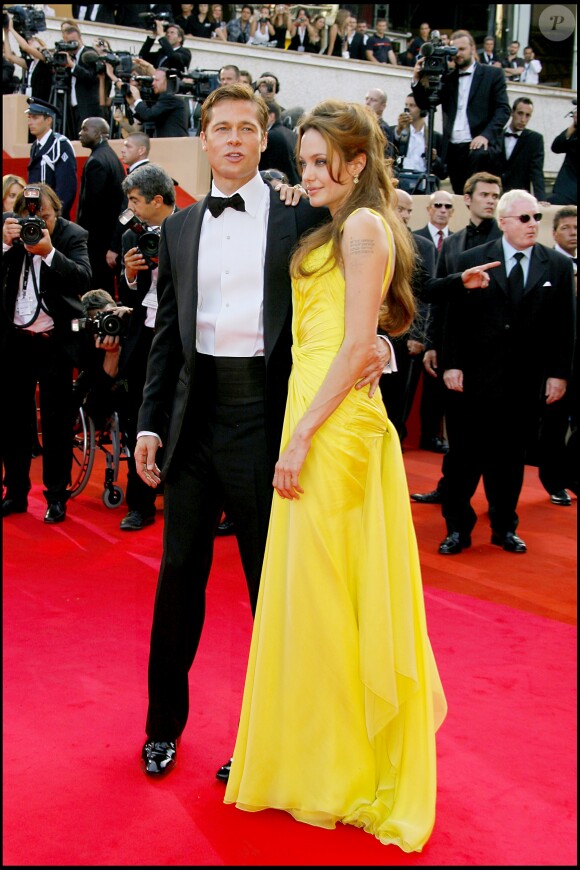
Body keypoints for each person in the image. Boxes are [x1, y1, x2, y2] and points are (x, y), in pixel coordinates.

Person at [133, 84, 395, 779]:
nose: (234, 139)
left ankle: (267, 745)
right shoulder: (177, 229)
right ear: (204, 138)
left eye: (247, 128)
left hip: (267, 419)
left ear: (262, 137)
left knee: (271, 591)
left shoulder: (299, 219)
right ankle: (162, 726)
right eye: (221, 128)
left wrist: (385, 345)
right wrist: (149, 423)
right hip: (193, 422)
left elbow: (353, 298)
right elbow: (166, 335)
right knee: (178, 580)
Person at [223, 98, 447, 852]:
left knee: (325, 597)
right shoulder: (344, 221)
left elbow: (357, 346)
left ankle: (342, 770)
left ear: (357, 164)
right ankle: (322, 760)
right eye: (306, 160)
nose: (310, 172)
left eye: (325, 162)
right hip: (318, 411)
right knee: (318, 597)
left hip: (331, 425)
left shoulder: (360, 225)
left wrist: (299, 441)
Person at [437, 190, 575, 555]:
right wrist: (452, 363)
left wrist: (559, 374)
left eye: (536, 218)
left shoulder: (557, 267)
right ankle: (457, 529)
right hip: (473, 381)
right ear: (503, 222)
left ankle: (504, 527)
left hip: (524, 384)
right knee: (464, 459)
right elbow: (454, 319)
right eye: (525, 218)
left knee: (510, 462)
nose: (533, 225)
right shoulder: (473, 261)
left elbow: (564, 326)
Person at [411, 171, 503, 503]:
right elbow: (439, 296)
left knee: (496, 437)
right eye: (485, 195)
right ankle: (450, 491)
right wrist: (433, 344)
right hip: (458, 348)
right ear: (468, 199)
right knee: (458, 429)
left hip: (496, 354)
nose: (490, 200)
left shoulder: (507, 242)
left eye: (495, 195)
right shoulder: (451, 243)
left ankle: (499, 507)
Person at [2, 182, 91, 522]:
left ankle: (56, 497)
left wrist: (49, 252)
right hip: (15, 341)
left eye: (47, 217)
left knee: (56, 423)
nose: (37, 224)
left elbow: (84, 277)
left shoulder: (72, 235)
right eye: (31, 217)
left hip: (55, 341)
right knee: (13, 421)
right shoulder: (11, 230)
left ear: (58, 212)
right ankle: (16, 492)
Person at [116, 163, 177, 531]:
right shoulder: (130, 236)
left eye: (136, 201)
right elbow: (129, 296)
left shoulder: (190, 226)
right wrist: (131, 272)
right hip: (143, 338)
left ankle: (179, 495)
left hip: (180, 338)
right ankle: (139, 504)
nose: (131, 208)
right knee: (139, 419)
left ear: (157, 200)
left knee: (179, 417)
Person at [412, 29, 510, 194]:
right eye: (455, 50)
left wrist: (485, 136)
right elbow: (426, 104)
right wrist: (416, 79)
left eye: (462, 49)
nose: (458, 54)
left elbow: (503, 110)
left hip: (478, 148)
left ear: (472, 48)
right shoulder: (448, 78)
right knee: (459, 195)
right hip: (454, 149)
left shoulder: (492, 74)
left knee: (476, 195)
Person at [379, 188, 434, 445]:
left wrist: (415, 334)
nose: (405, 215)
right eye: (400, 208)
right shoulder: (368, 235)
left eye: (409, 210)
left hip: (399, 335)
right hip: (362, 333)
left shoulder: (421, 246)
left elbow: (424, 291)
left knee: (395, 401)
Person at [77, 116, 126, 294]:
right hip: (106, 240)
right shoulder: (109, 155)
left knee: (97, 292)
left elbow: (92, 209)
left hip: (98, 243)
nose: (80, 133)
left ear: (98, 133)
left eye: (85, 129)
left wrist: (81, 239)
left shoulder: (97, 161)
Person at [25, 96, 78, 221]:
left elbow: (66, 187)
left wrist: (55, 215)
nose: (30, 122)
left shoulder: (60, 145)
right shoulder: (35, 146)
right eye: (29, 118)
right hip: (36, 215)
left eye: (35, 117)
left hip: (52, 218)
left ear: (48, 120)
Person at [107, 131, 152, 273]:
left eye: (128, 146)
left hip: (136, 243)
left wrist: (114, 247)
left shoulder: (140, 176)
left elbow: (127, 213)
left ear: (141, 150)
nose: (123, 150)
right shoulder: (146, 172)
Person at [493, 96, 546, 202]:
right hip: (495, 196)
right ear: (512, 112)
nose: (523, 119)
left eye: (527, 115)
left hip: (519, 199)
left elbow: (536, 172)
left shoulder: (535, 139)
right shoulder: (495, 135)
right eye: (520, 113)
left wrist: (541, 198)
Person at [392, 92, 446, 188]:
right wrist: (399, 130)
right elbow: (389, 152)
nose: (408, 109)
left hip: (423, 185)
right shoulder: (397, 131)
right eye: (406, 105)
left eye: (412, 105)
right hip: (400, 183)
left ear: (423, 110)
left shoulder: (435, 137)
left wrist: (434, 159)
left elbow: (443, 173)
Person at [60, 24, 102, 136]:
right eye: (69, 42)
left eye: (74, 41)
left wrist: (72, 65)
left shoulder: (89, 53)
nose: (72, 45)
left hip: (87, 106)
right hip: (72, 106)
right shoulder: (68, 56)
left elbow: (91, 76)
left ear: (80, 39)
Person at [127, 67, 189, 138]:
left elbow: (149, 115)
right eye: (153, 80)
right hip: (169, 143)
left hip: (174, 143)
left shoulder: (170, 98)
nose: (153, 83)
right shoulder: (164, 97)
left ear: (166, 82)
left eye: (156, 80)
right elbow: (147, 118)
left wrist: (138, 99)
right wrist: (132, 104)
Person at [258, 100, 300, 185]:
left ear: (271, 116)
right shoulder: (292, 134)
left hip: (279, 186)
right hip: (295, 184)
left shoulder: (271, 136)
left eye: (260, 115)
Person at [547, 100, 577, 205]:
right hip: (564, 191)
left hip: (571, 194)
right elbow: (556, 147)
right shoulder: (574, 132)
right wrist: (573, 125)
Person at [363, 88, 395, 159]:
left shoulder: (382, 128)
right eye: (367, 98)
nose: (368, 102)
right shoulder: (363, 124)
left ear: (382, 106)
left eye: (373, 100)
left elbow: (386, 157)